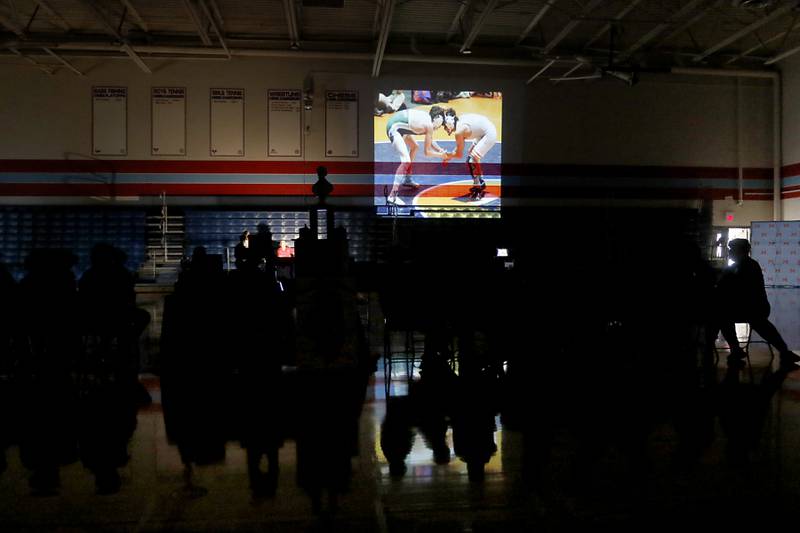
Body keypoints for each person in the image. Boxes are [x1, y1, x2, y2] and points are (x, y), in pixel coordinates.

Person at [716, 238, 800, 369]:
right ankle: (784, 352)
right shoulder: (744, 265)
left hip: (753, 308)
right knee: (756, 322)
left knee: (724, 317)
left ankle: (735, 349)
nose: (730, 252)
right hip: (751, 307)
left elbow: (734, 288)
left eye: (732, 249)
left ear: (741, 251)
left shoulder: (747, 267)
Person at [385, 106, 450, 204]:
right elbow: (427, 152)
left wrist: (440, 150)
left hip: (399, 126)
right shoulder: (429, 125)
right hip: (394, 128)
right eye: (441, 124)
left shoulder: (428, 120)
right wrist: (441, 156)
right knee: (405, 160)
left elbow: (430, 140)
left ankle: (407, 179)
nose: (440, 127)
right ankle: (392, 196)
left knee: (414, 146)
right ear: (437, 118)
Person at [442, 109, 498, 200]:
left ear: (449, 123)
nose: (445, 128)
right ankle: (480, 182)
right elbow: (460, 146)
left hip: (489, 133)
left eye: (444, 126)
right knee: (470, 159)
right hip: (483, 132)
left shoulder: (459, 131)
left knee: (473, 159)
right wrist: (449, 156)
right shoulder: (459, 126)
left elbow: (459, 154)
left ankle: (478, 187)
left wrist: (448, 156)